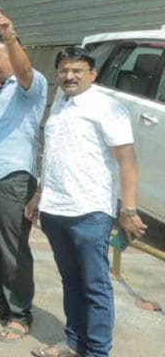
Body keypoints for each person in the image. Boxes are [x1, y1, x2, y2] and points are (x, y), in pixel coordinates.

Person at [27, 47, 147, 357]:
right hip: (55, 209)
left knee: (95, 285)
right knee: (71, 280)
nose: (69, 76)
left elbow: (127, 161)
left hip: (90, 211)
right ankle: (74, 342)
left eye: (77, 70)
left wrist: (129, 210)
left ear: (92, 74)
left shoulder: (108, 108)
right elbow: (51, 156)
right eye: (64, 70)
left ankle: (97, 351)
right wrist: (39, 196)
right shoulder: (59, 105)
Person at [0, 10, 48, 344]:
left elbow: (25, 69)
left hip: (12, 179)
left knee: (12, 249)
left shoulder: (29, 85)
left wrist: (10, 36)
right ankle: (0, 303)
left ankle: (20, 314)